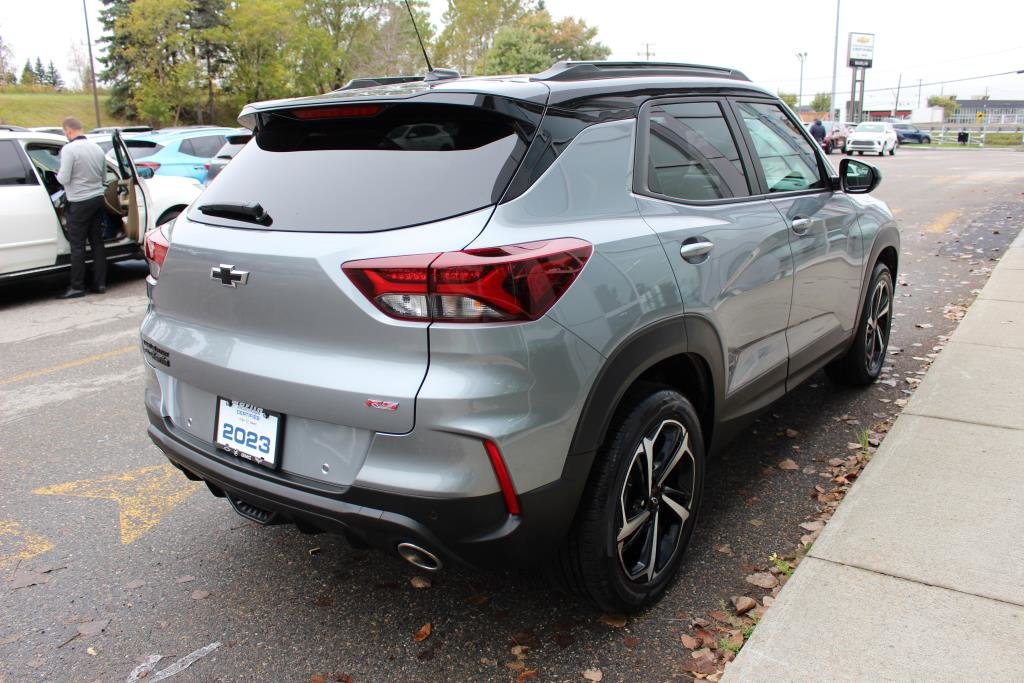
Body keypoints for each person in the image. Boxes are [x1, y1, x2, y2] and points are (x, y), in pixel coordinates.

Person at [55, 116, 108, 299]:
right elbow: (104, 178)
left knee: (77, 245)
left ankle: (77, 287)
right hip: (97, 199)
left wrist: (57, 173)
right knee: (97, 243)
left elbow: (63, 179)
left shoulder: (69, 150)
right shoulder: (97, 148)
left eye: (65, 132)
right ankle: (100, 284)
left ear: (68, 131)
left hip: (78, 201)